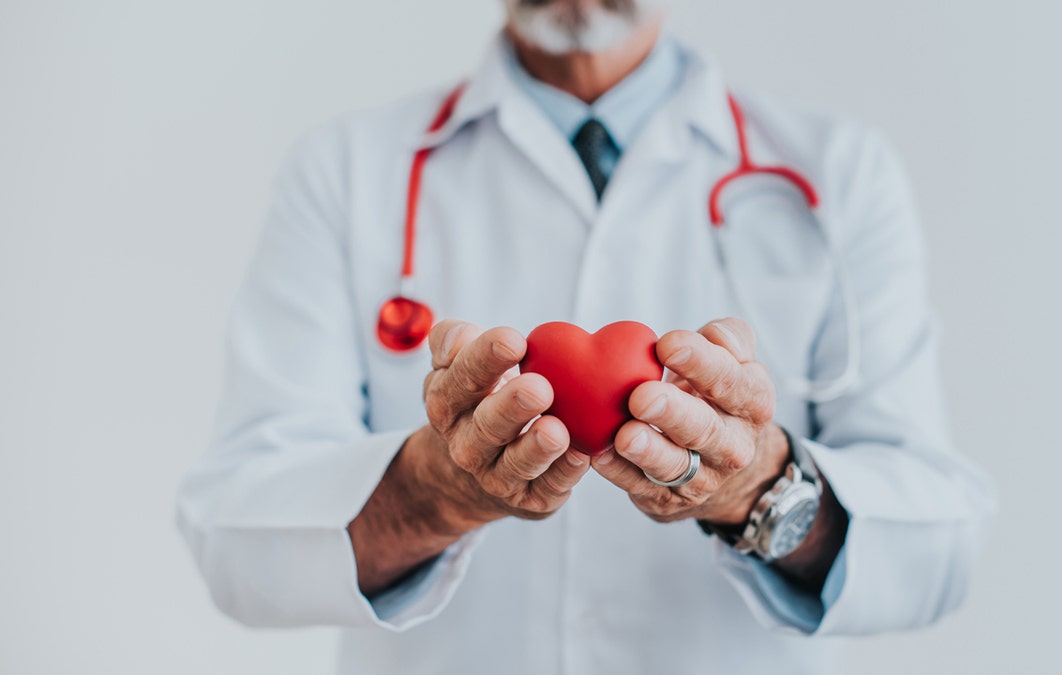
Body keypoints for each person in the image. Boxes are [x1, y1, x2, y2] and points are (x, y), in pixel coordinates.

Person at [176, 0, 996, 672]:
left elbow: (937, 550)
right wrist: (435, 491)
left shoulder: (840, 173)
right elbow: (238, 541)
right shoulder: (346, 172)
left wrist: (757, 487)